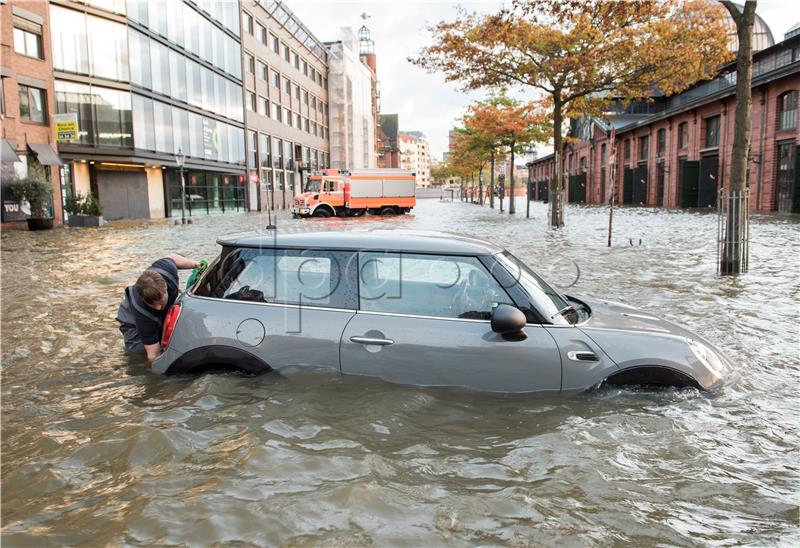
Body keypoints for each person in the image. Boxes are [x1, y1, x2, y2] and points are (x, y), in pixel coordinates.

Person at [117, 254, 201, 363]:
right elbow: (153, 355)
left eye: (160, 302)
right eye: (152, 304)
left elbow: (172, 258)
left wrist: (194, 264)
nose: (158, 307)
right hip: (132, 320)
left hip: (151, 312)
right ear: (144, 298)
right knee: (139, 354)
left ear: (165, 288)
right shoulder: (142, 314)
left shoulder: (166, 268)